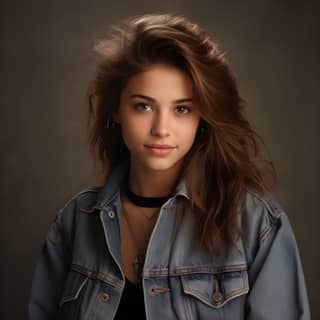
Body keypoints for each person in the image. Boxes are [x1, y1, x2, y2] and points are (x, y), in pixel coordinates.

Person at [27, 13, 310, 320]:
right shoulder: (75, 223)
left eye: (182, 109)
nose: (161, 128)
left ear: (203, 117)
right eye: (144, 106)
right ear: (116, 110)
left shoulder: (256, 224)